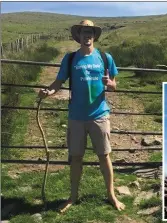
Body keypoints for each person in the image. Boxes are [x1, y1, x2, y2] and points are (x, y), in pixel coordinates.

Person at [38, 20, 125, 212]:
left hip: (100, 115)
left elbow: (114, 85)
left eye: (90, 32)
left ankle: (111, 195)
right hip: (76, 116)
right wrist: (48, 92)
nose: (87, 35)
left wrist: (110, 84)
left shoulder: (105, 57)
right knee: (76, 157)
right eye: (84, 32)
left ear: (94, 36)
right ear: (78, 36)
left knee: (104, 156)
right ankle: (73, 197)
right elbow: (58, 82)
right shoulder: (70, 59)